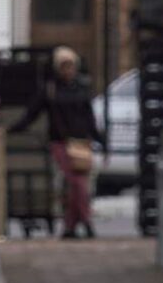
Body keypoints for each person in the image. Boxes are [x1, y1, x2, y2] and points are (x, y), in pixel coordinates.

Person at [10, 46, 104, 239]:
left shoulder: (81, 88)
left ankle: (70, 226)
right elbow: (32, 113)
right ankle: (86, 221)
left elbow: (89, 117)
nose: (68, 70)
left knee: (78, 184)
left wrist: (99, 139)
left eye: (70, 66)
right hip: (60, 142)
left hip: (81, 143)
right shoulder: (50, 90)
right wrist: (13, 128)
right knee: (76, 182)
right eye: (64, 66)